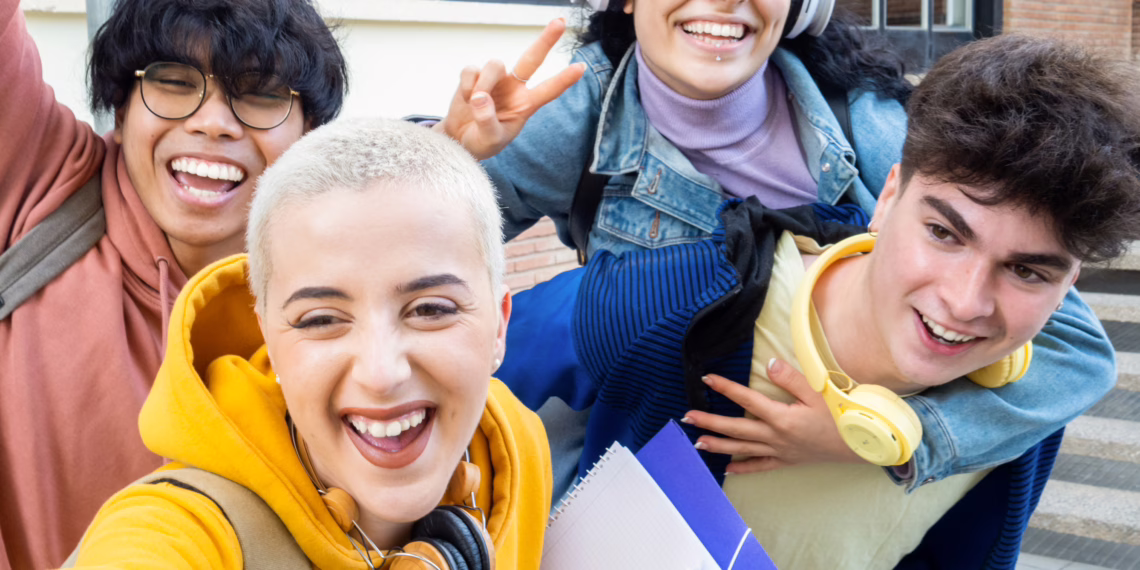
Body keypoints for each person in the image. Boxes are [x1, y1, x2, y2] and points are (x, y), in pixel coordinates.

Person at [500, 33, 1140, 569]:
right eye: (944, 233)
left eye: (1027, 271)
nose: (965, 302)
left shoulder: (1020, 412)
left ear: (1071, 285)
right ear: (886, 197)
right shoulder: (661, 306)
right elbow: (453, 381)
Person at [0, 0, 579, 567]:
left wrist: (435, 160)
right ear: (120, 110)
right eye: (172, 83)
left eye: (261, 93)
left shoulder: (508, 447)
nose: (212, 123)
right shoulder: (41, 182)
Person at [64, 118, 552, 569]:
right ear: (270, 341)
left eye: (431, 310)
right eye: (321, 320)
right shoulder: (181, 529)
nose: (381, 375)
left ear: (499, 327)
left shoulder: (516, 442)